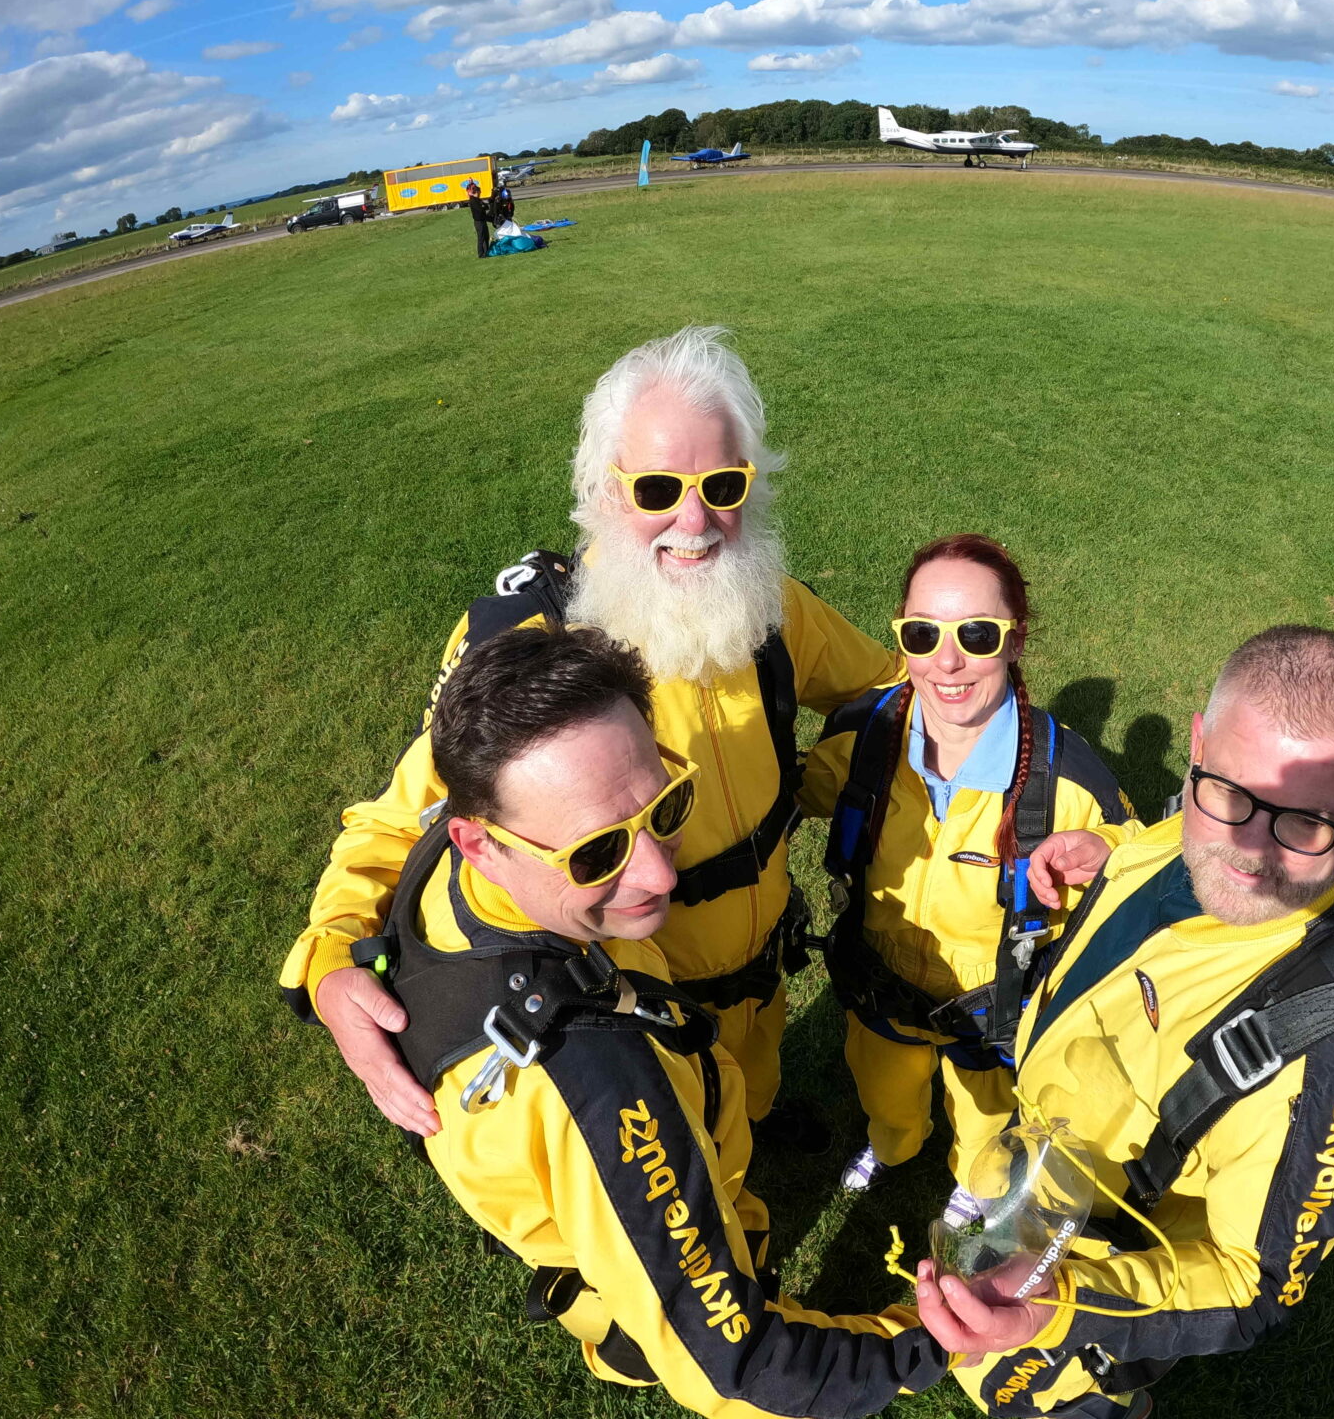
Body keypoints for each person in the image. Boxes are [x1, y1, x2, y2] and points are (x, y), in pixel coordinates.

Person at [279, 326, 901, 1152]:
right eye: (656, 489)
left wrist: (845, 767)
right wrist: (329, 956)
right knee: (690, 1169)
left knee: (751, 1100)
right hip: (635, 1010)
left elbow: (890, 689)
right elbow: (402, 822)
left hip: (764, 975)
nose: (695, 520)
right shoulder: (538, 652)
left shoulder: (771, 605)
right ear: (604, 492)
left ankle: (758, 1117)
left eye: (722, 484)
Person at [369, 622, 945, 1412]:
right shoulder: (598, 1084)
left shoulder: (459, 850)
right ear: (479, 843)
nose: (658, 873)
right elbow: (740, 1369)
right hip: (638, 1262)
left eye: (668, 805)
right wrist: (936, 1342)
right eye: (597, 853)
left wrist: (332, 962)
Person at [915, 626, 1334, 1418]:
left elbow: (1250, 1284)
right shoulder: (1204, 820)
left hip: (1094, 1268)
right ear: (1198, 748)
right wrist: (1113, 853)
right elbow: (1169, 852)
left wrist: (1060, 1308)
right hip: (1039, 1170)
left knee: (1028, 1395)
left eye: (1306, 825)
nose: (1249, 857)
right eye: (1227, 794)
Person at [800, 535, 1133, 1194]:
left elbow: (1150, 870)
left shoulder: (1067, 778)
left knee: (985, 1123)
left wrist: (1110, 854)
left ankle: (974, 1185)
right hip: (879, 985)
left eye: (977, 634)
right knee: (885, 1094)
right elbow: (789, 797)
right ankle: (893, 1145)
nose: (947, 661)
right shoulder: (866, 738)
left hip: (993, 1009)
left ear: (1016, 640)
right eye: (922, 634)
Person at [466, 179, 493, 257]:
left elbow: (486, 206)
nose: (480, 194)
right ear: (476, 192)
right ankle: (481, 254)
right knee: (481, 238)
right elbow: (480, 209)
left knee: (486, 236)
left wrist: (484, 206)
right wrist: (483, 207)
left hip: (483, 220)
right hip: (478, 221)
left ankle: (486, 251)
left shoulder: (478, 200)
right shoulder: (473, 200)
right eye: (479, 192)